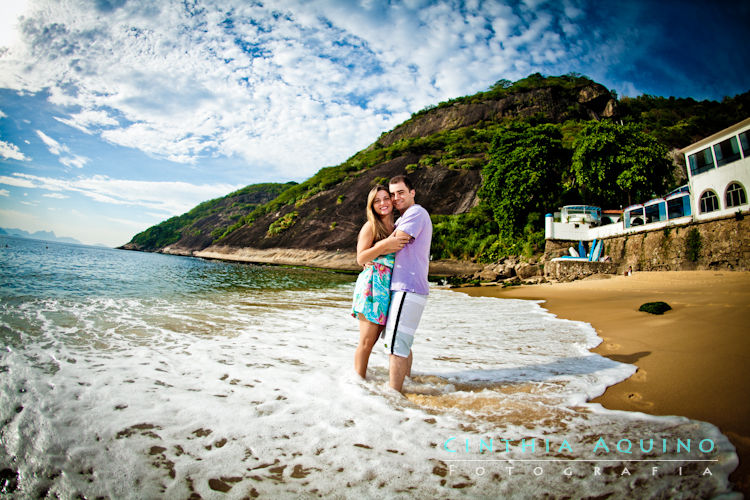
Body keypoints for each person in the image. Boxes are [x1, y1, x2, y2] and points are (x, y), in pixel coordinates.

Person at [351, 185, 410, 379]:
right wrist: (383, 245)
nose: (383, 203)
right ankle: (357, 384)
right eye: (377, 200)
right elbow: (361, 258)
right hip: (372, 286)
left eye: (386, 198)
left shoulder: (399, 226)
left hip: (391, 288)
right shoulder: (371, 226)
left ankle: (406, 381)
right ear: (372, 205)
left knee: (398, 339)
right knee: (367, 342)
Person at [382, 175, 432, 393]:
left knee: (395, 346)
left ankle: (394, 395)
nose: (395, 198)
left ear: (412, 192)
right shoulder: (405, 217)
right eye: (392, 194)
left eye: (400, 192)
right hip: (406, 287)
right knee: (401, 342)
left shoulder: (416, 213)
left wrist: (366, 253)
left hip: (408, 287)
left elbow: (396, 242)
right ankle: (407, 385)